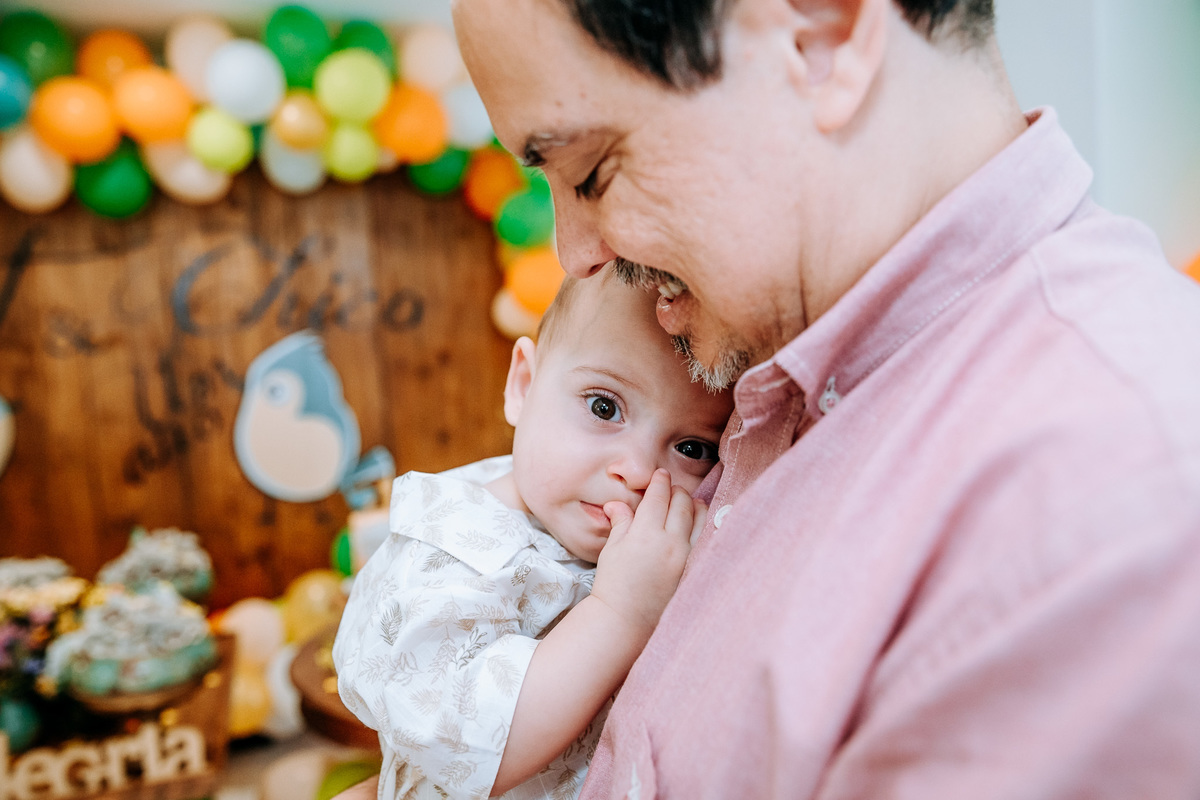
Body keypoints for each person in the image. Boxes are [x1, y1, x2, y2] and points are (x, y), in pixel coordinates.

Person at [450, 0, 1200, 797]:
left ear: (823, 34)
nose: (577, 255)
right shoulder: (752, 357)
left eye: (592, 173)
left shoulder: (1115, 509)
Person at [333, 267, 733, 800]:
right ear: (523, 385)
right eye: (604, 407)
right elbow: (475, 755)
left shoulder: (648, 544)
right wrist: (621, 612)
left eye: (692, 448)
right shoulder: (450, 549)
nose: (637, 470)